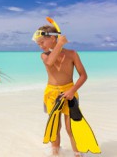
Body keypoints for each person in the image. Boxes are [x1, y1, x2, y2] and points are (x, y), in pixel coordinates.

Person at [32, 25, 87, 157]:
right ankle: (55, 153)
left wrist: (72, 91)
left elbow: (83, 75)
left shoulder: (72, 54)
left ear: (52, 38)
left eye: (42, 42)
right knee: (55, 127)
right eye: (38, 44)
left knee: (71, 128)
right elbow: (50, 62)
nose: (40, 46)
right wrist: (60, 43)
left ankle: (77, 154)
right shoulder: (44, 56)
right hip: (51, 94)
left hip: (70, 93)